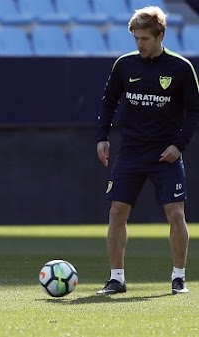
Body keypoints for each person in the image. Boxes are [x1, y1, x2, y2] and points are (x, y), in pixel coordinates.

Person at [95, 6, 199, 295]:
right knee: (116, 212)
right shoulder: (124, 65)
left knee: (176, 214)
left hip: (165, 155)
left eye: (145, 39)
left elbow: (194, 112)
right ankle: (117, 278)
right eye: (136, 39)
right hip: (130, 152)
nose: (139, 44)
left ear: (160, 35)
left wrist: (178, 145)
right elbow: (109, 101)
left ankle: (179, 277)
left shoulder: (180, 68)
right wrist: (102, 137)